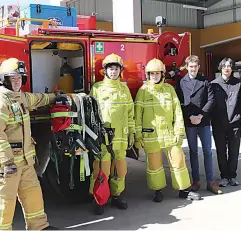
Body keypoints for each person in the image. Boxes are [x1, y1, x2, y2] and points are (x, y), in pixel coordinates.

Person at [0, 58, 59, 230]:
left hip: (25, 161)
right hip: (8, 164)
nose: (17, 81)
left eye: (20, 77)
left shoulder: (21, 98)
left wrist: (55, 96)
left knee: (33, 194)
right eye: (13, 78)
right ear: (4, 79)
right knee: (4, 202)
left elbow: (38, 99)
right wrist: (7, 162)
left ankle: (39, 226)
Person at [134, 58, 201, 202]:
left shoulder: (169, 90)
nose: (155, 76)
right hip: (151, 136)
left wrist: (179, 131)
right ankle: (157, 191)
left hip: (169, 134)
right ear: (148, 75)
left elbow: (177, 112)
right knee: (154, 165)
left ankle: (184, 190)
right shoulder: (143, 91)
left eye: (157, 73)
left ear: (162, 74)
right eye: (152, 74)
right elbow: (137, 114)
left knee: (179, 162)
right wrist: (138, 135)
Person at [89, 53, 135, 215]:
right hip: (103, 137)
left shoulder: (124, 89)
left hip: (120, 137)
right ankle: (99, 200)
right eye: (111, 68)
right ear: (105, 71)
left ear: (120, 71)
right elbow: (91, 113)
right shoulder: (97, 88)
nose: (114, 72)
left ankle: (116, 196)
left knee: (120, 169)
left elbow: (130, 113)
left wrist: (131, 133)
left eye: (116, 69)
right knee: (102, 169)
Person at [176, 55, 222, 195]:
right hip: (190, 122)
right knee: (193, 152)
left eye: (195, 66)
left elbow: (211, 100)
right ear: (187, 67)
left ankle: (210, 181)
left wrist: (201, 116)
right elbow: (180, 102)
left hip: (204, 121)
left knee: (207, 151)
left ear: (198, 67)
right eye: (191, 66)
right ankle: (195, 181)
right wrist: (190, 116)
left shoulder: (205, 81)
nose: (193, 69)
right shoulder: (182, 82)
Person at [210, 57, 241, 187]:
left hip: (235, 123)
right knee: (221, 150)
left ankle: (232, 175)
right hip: (218, 123)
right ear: (220, 68)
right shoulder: (214, 84)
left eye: (229, 66)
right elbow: (210, 104)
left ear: (232, 69)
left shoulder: (239, 84)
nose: (227, 68)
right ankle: (224, 176)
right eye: (224, 66)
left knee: (234, 150)